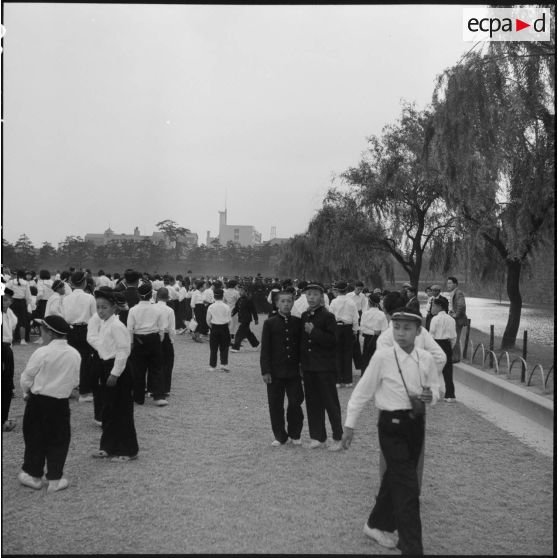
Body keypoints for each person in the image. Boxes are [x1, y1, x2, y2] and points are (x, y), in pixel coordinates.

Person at [341, 309, 440, 555]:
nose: (401, 333)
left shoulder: (426, 359)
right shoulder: (382, 357)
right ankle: (412, 549)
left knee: (395, 478)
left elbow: (436, 388)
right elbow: (362, 391)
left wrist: (431, 396)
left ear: (418, 332)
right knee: (408, 487)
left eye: (407, 328)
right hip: (391, 426)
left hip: (415, 423)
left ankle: (375, 525)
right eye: (397, 327)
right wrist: (349, 425)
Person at [18, 315, 80, 492]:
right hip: (60, 403)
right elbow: (75, 381)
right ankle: (54, 478)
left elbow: (26, 377)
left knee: (34, 437)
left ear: (50, 333)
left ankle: (33, 474)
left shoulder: (42, 352)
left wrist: (26, 392)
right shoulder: (74, 354)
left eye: (43, 330)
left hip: (38, 401)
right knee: (59, 438)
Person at [88, 289, 139, 461]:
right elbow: (100, 344)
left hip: (118, 369)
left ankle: (128, 450)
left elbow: (123, 351)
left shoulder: (117, 325)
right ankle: (108, 446)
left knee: (122, 409)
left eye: (105, 307)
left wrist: (115, 373)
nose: (101, 311)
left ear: (114, 308)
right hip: (106, 365)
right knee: (108, 409)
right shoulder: (104, 324)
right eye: (98, 307)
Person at [300, 283, 343, 451]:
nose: (311, 298)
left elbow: (334, 341)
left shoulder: (328, 316)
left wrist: (314, 332)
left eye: (315, 294)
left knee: (330, 403)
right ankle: (318, 437)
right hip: (309, 367)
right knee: (312, 403)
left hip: (325, 367)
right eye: (308, 294)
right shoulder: (304, 315)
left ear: (322, 297)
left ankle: (338, 438)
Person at [260, 290, 304, 446]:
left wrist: (302, 367)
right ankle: (280, 436)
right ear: (277, 303)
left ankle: (295, 433)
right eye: (283, 301)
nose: (286, 304)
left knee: (295, 402)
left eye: (289, 301)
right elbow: (265, 349)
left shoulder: (298, 323)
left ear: (293, 303)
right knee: (275, 404)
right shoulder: (269, 323)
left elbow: (301, 347)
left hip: (293, 371)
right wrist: (265, 370)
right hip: (275, 371)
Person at [127, 283, 167, 406]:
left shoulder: (133, 310)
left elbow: (129, 328)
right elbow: (162, 327)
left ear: (138, 295)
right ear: (151, 295)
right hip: (154, 338)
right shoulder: (157, 309)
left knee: (138, 369)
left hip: (139, 339)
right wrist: (159, 339)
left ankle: (138, 397)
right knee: (156, 368)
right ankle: (158, 396)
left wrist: (131, 342)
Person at [62, 271, 97, 403]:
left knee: (71, 360)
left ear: (71, 283)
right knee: (86, 361)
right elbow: (95, 317)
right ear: (85, 282)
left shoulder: (66, 298)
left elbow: (64, 316)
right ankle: (84, 392)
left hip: (70, 330)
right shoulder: (89, 298)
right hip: (85, 330)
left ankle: (69, 390)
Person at [329, 281, 359, 388]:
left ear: (337, 290)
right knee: (347, 354)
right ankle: (348, 380)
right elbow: (355, 318)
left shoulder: (333, 302)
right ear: (346, 290)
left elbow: (330, 316)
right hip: (347, 328)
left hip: (336, 327)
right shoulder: (351, 302)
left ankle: (337, 380)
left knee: (336, 353)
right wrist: (355, 330)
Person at [429, 296, 457, 402]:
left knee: (433, 370)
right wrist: (450, 347)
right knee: (448, 371)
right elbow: (454, 337)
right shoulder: (451, 319)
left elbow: (431, 335)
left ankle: (432, 393)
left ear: (440, 307)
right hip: (447, 344)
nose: (432, 308)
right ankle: (450, 395)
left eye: (434, 306)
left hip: (436, 344)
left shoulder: (435, 319)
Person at [359, 293, 388, 374]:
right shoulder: (382, 314)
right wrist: (376, 332)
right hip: (378, 338)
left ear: (369, 302)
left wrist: (371, 331)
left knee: (366, 357)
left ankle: (365, 375)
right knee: (377, 357)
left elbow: (362, 328)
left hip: (368, 338)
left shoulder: (365, 313)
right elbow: (385, 329)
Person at [155, 288, 176, 396]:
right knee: (167, 363)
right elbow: (172, 328)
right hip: (166, 337)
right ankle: (165, 388)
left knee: (154, 363)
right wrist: (172, 340)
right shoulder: (170, 310)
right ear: (167, 298)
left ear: (157, 297)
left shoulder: (152, 308)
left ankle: (152, 388)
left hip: (153, 336)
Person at [2, 288, 18, 431]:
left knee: (7, 383)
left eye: (7, 299)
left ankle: (4, 418)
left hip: (7, 347)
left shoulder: (9, 313)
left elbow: (13, 325)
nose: (4, 302)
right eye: (3, 299)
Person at [206, 288, 232, 372]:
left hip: (214, 327)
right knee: (224, 347)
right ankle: (223, 364)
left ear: (214, 296)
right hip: (224, 328)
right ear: (222, 296)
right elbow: (229, 320)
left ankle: (212, 366)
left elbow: (208, 320)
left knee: (213, 348)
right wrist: (226, 327)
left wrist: (211, 327)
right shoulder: (227, 306)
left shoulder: (211, 306)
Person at [231, 284, 259, 352]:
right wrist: (232, 314)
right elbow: (236, 308)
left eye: (242, 291)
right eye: (240, 291)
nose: (240, 292)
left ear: (245, 292)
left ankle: (235, 348)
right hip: (241, 318)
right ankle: (257, 344)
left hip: (246, 319)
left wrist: (256, 319)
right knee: (247, 333)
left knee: (239, 333)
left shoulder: (248, 300)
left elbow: (253, 310)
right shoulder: (239, 299)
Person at [6, 269, 32, 344]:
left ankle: (11, 339)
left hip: (12, 302)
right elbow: (28, 296)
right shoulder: (26, 283)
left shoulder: (11, 282)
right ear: (23, 275)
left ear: (17, 275)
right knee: (22, 321)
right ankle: (22, 340)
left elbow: (5, 291)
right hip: (22, 303)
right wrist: (27, 304)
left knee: (11, 320)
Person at [446, 276, 468, 363]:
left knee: (455, 338)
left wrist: (456, 315)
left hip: (457, 320)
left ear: (455, 284)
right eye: (447, 283)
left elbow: (462, 305)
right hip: (453, 319)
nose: (448, 285)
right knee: (453, 338)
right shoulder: (453, 293)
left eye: (450, 283)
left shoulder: (458, 293)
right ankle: (454, 357)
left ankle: (456, 358)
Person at [223, 279, 240, 344]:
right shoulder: (236, 292)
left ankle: (227, 338)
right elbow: (239, 301)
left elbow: (224, 301)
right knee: (234, 325)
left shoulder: (225, 292)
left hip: (227, 309)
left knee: (228, 324)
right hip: (234, 310)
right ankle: (232, 339)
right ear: (234, 285)